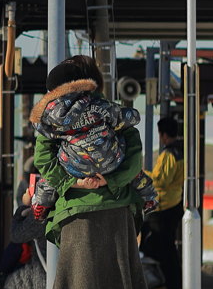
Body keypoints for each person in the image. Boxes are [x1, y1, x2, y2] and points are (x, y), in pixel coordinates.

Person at [31, 55, 152, 289]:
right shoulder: (111, 111)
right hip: (117, 205)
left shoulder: (53, 116)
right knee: (112, 275)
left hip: (78, 207)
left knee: (78, 278)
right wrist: (110, 179)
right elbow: (135, 155)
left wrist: (73, 180)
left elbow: (43, 158)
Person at [30, 70, 159, 217]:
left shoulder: (49, 117)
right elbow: (131, 118)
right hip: (112, 163)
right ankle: (149, 197)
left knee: (49, 179)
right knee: (135, 173)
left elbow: (43, 143)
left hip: (74, 168)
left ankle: (40, 205)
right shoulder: (97, 104)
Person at [140, 116, 184, 289]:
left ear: (164, 135)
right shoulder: (181, 151)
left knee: (152, 242)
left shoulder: (168, 154)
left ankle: (162, 281)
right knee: (167, 246)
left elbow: (160, 180)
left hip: (163, 205)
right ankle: (170, 282)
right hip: (174, 202)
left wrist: (142, 174)